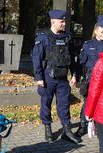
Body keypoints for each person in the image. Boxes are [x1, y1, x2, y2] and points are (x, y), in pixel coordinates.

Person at [32, 9, 81, 144]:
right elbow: (37, 58)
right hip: (48, 77)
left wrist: (75, 74)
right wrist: (39, 77)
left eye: (64, 21)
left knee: (64, 104)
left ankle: (66, 130)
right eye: (61, 21)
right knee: (46, 104)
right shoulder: (43, 38)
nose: (64, 23)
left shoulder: (67, 38)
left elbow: (71, 57)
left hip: (63, 78)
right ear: (53, 22)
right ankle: (48, 129)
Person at [76, 15, 103, 137]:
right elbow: (81, 63)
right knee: (88, 102)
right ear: (95, 30)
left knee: (102, 103)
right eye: (101, 31)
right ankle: (82, 126)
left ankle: (101, 126)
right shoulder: (87, 44)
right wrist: (77, 77)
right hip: (91, 78)